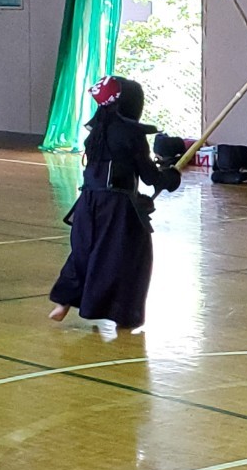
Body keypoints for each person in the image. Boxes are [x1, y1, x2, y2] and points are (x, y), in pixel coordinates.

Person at [49, 76, 181, 330]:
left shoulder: (97, 129)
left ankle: (62, 303)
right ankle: (123, 315)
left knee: (84, 252)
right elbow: (150, 177)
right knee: (130, 256)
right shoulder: (131, 133)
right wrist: (171, 175)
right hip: (117, 207)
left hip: (88, 202)